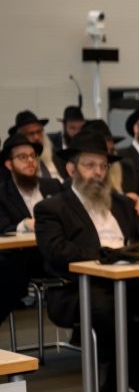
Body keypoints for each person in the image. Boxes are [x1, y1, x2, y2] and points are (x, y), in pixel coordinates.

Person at [35, 131, 139, 392]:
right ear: (71, 169)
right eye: (90, 165)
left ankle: (126, 382)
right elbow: (57, 252)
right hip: (81, 285)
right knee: (111, 314)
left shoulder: (122, 204)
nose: (98, 172)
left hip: (131, 280)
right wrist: (108, 256)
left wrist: (129, 257)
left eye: (103, 166)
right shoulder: (51, 208)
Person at [0, 135, 63, 326]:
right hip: (24, 257)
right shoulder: (2, 194)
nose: (30, 161)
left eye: (33, 156)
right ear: (9, 164)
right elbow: (3, 227)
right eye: (22, 157)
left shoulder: (53, 186)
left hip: (56, 254)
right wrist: (25, 225)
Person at [8, 109, 58, 181]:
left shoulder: (56, 154)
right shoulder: (12, 164)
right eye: (30, 133)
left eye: (39, 132)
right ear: (19, 137)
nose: (36, 137)